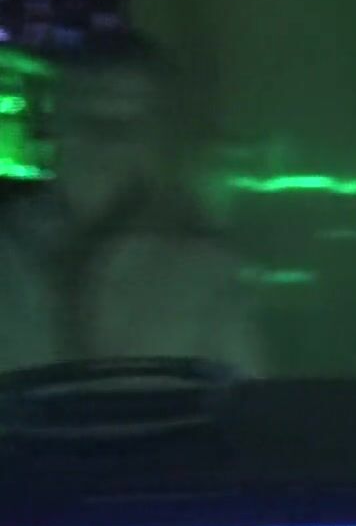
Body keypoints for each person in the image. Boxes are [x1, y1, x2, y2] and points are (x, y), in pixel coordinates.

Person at [0, 36, 262, 375]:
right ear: (55, 127)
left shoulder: (203, 271)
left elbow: (245, 392)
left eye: (126, 126)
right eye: (86, 121)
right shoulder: (10, 254)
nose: (103, 144)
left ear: (159, 140)